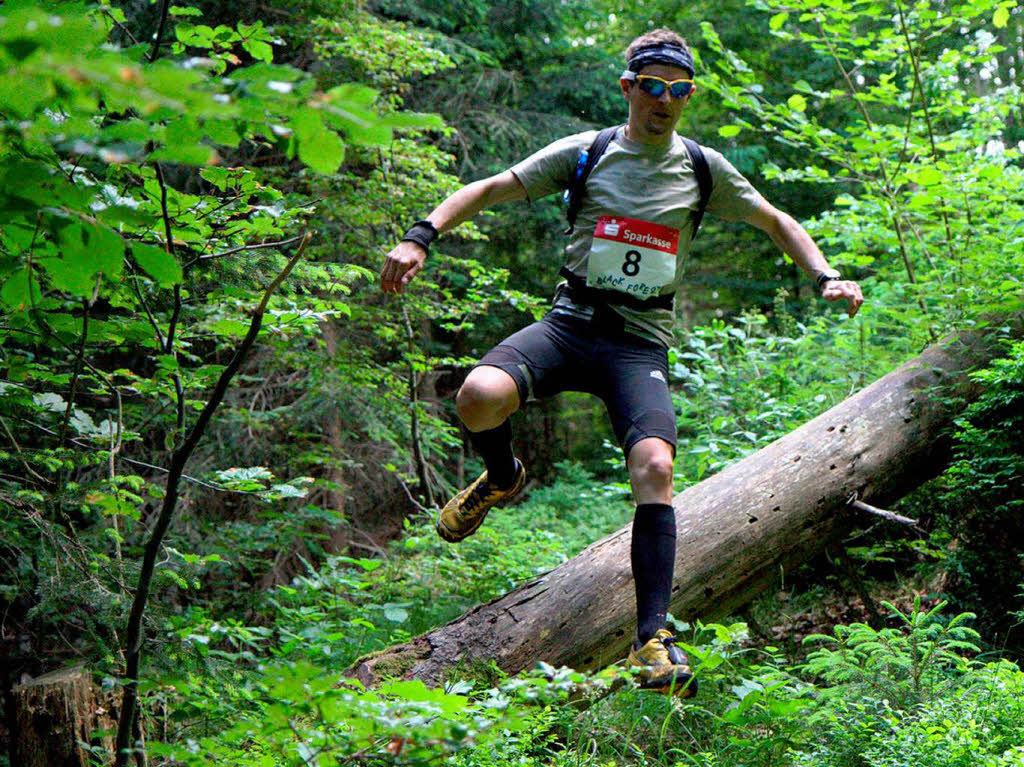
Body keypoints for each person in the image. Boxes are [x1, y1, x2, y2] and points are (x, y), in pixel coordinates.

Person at [380, 28, 864, 695]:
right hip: (569, 325)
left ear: (688, 96)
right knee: (476, 395)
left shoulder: (702, 167)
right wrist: (420, 236)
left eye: (679, 90)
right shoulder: (588, 152)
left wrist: (824, 274)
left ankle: (652, 640)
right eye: (653, 87)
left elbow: (776, 220)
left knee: (656, 465)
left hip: (637, 345)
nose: (665, 101)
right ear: (628, 87)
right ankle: (502, 475)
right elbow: (491, 187)